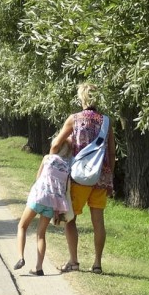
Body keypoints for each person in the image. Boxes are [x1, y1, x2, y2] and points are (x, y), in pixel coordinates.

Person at [48, 82, 115, 274]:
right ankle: (97, 264)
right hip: (100, 177)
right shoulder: (106, 121)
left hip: (79, 177)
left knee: (70, 219)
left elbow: (55, 144)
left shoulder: (74, 119)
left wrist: (50, 163)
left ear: (82, 98)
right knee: (98, 222)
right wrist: (109, 178)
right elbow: (111, 153)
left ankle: (74, 261)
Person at [14, 142, 72, 276]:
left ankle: (20, 257)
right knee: (41, 234)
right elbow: (64, 190)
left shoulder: (48, 158)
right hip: (52, 203)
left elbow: (38, 177)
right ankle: (38, 268)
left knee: (22, 226)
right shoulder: (67, 168)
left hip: (38, 197)